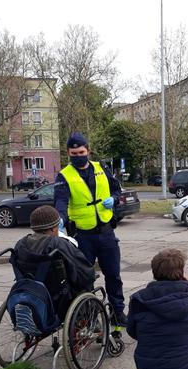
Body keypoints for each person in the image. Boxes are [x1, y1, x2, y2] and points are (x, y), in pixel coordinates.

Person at [54, 131, 127, 325]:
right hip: (82, 235)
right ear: (68, 153)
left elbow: (117, 189)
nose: (78, 156)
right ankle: (89, 315)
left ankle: (117, 312)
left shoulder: (101, 167)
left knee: (113, 275)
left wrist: (115, 199)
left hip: (106, 232)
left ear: (88, 150)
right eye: (74, 154)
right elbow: (61, 201)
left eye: (81, 152)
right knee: (83, 279)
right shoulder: (64, 176)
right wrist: (60, 218)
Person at [12, 205, 95, 315]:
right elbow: (84, 271)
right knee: (85, 280)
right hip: (59, 300)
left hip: (30, 293)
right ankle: (89, 317)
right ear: (54, 228)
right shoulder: (58, 244)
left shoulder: (21, 244)